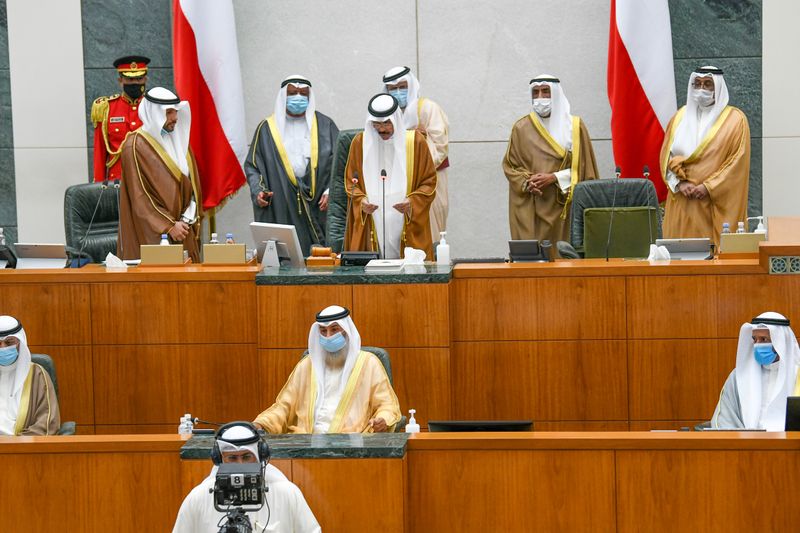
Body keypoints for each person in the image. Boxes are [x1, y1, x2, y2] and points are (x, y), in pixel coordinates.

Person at [254, 306, 402, 434]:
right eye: (323, 331)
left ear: (347, 331)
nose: (328, 336)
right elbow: (284, 406)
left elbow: (387, 405)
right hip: (307, 441)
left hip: (352, 441)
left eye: (334, 330)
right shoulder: (307, 365)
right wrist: (261, 423)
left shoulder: (369, 363)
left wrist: (383, 419)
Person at [245, 75, 340, 256]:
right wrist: (259, 191)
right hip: (282, 201)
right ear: (283, 96)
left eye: (303, 93)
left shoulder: (325, 125)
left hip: (319, 203)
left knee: (322, 259)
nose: (298, 97)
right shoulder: (266, 129)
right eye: (292, 93)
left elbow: (340, 163)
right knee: (286, 257)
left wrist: (330, 191)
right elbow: (253, 166)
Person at [172, 421, 320, 532]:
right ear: (219, 459)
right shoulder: (199, 498)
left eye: (247, 456)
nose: (240, 465)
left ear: (260, 456)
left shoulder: (287, 494)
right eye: (232, 458)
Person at [660, 66, 750, 248]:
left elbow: (736, 163)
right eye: (698, 84)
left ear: (718, 88)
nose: (702, 89)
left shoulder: (735, 120)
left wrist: (708, 187)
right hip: (682, 202)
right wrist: (680, 183)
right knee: (681, 258)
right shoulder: (679, 117)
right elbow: (666, 157)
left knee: (713, 262)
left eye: (708, 84)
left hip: (712, 203)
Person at [503, 74, 599, 245]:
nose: (540, 98)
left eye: (546, 91)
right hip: (533, 204)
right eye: (536, 93)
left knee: (565, 258)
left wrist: (554, 177)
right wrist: (528, 182)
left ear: (556, 93)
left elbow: (586, 170)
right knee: (534, 261)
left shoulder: (575, 127)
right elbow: (511, 166)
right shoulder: (521, 128)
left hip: (565, 206)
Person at [343, 93, 437, 259]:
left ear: (396, 120)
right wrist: (361, 202)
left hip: (405, 220)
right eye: (376, 124)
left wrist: (412, 202)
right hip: (372, 220)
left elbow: (429, 182)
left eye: (387, 123)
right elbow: (352, 183)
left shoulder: (415, 142)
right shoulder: (359, 143)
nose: (382, 129)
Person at [117, 87, 203, 262]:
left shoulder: (179, 142)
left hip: (184, 229)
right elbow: (140, 197)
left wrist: (187, 217)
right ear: (154, 113)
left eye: (176, 111)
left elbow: (193, 187)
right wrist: (169, 226)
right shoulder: (134, 146)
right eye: (169, 112)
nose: (175, 118)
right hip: (153, 233)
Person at [382, 66, 450, 239]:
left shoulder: (428, 108)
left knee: (430, 233)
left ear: (411, 85)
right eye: (393, 89)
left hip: (428, 182)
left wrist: (416, 141)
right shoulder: (386, 117)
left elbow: (440, 147)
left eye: (402, 87)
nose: (398, 92)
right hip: (395, 182)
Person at [711, 312, 800, 430]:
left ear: (781, 342)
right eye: (755, 339)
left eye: (764, 339)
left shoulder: (797, 376)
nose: (757, 345)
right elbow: (724, 421)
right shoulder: (738, 377)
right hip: (748, 446)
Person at [90, 55, 150, 182]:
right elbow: (100, 152)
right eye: (129, 79)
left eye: (139, 79)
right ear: (120, 80)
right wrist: (99, 185)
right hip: (117, 182)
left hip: (148, 181)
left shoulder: (154, 107)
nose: (134, 83)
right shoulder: (106, 108)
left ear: (146, 79)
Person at [0, 316, 60, 436]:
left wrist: (17, 445)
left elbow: (47, 422)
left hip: (23, 447)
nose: (3, 348)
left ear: (20, 342)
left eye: (9, 342)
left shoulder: (37, 375)